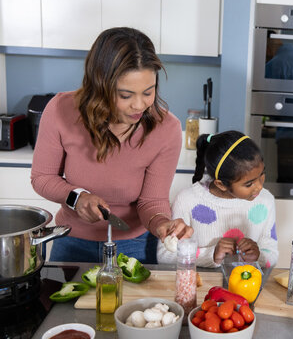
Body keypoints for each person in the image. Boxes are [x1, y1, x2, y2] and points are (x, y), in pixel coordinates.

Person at [31, 27, 191, 263]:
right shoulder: (60, 109)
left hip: (135, 246)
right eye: (125, 96)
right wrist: (77, 197)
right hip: (71, 239)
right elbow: (42, 177)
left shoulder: (166, 128)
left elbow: (152, 201)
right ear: (99, 85)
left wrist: (163, 224)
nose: (139, 105)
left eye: (148, 92)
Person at [157, 131, 278, 269]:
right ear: (221, 184)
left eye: (262, 174)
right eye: (249, 184)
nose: (260, 186)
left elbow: (272, 254)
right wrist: (211, 255)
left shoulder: (265, 200)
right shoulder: (186, 200)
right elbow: (164, 256)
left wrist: (258, 257)